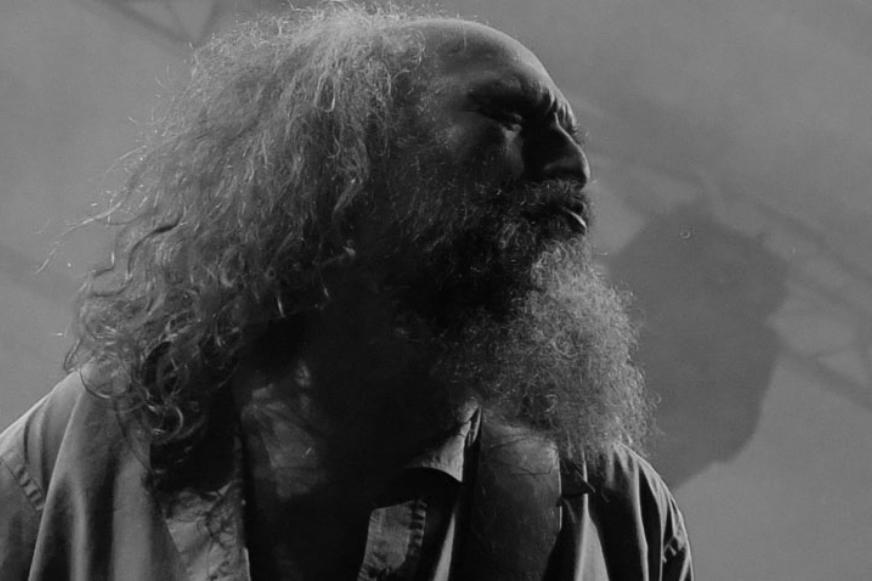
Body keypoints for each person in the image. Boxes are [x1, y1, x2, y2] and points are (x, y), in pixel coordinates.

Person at [0, 6, 692, 581]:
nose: (575, 167)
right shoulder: (78, 454)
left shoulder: (620, 516)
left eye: (570, 137)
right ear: (341, 161)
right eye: (510, 116)